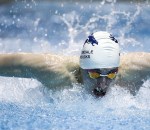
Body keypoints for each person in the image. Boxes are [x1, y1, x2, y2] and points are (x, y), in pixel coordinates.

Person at [0, 31, 150, 97]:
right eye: (94, 74)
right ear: (82, 67)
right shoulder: (53, 71)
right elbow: (15, 63)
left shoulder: (135, 69)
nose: (102, 86)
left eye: (111, 73)